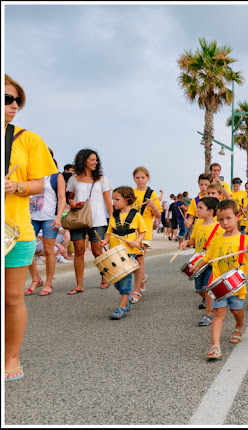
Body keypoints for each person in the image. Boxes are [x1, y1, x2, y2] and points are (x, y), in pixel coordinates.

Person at [4, 74, 58, 382]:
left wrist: (17, 186)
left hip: (16, 230)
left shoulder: (27, 138)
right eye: (7, 99)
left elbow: (41, 183)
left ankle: (11, 357)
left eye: (16, 100)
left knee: (12, 298)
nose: (14, 106)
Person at [192, 200, 248, 359]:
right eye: (220, 219)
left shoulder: (244, 240)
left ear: (238, 217)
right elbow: (207, 257)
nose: (224, 223)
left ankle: (239, 325)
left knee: (236, 310)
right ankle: (215, 346)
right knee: (218, 312)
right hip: (218, 284)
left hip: (236, 286)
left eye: (228, 218)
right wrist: (196, 267)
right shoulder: (217, 239)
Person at [66, 148, 113, 294]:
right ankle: (79, 284)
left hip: (98, 220)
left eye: (96, 159)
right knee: (79, 250)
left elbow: (108, 201)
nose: (95, 162)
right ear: (83, 160)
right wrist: (72, 202)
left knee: (97, 251)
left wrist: (113, 220)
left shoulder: (102, 179)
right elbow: (70, 198)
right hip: (79, 218)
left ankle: (105, 276)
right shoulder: (74, 179)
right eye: (92, 159)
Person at [99, 186, 147, 319]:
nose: (113, 202)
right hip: (114, 252)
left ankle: (122, 306)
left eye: (116, 199)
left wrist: (137, 241)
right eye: (113, 199)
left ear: (126, 200)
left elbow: (143, 231)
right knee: (116, 281)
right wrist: (105, 241)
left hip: (129, 252)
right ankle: (125, 297)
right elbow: (109, 232)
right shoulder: (114, 215)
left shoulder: (136, 215)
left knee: (125, 279)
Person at [25, 150, 66, 296]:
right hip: (31, 216)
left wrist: (59, 217)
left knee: (49, 251)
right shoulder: (30, 174)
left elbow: (62, 199)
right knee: (27, 249)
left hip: (49, 217)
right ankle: (36, 279)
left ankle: (48, 283)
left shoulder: (56, 176)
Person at [178, 197, 222, 325]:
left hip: (211, 263)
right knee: (199, 289)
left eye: (200, 208)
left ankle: (208, 313)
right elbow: (194, 241)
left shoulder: (218, 227)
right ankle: (213, 301)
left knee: (207, 288)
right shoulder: (197, 224)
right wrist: (186, 242)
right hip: (198, 262)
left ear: (210, 211)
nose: (197, 210)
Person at [128, 166, 162, 304]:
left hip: (144, 231)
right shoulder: (130, 193)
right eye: (137, 177)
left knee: (139, 259)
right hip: (131, 231)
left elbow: (158, 215)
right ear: (134, 179)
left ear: (148, 178)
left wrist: (153, 205)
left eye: (143, 177)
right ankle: (142, 278)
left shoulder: (151, 193)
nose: (140, 180)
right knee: (133, 261)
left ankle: (135, 291)